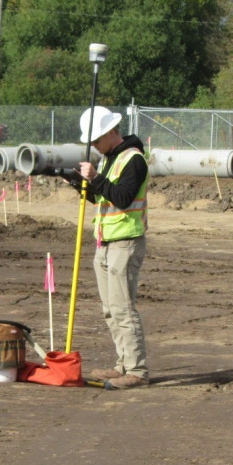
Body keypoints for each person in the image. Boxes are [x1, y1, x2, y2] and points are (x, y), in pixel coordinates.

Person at [75, 106, 150, 389]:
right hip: (105, 242)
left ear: (109, 133)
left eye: (95, 140)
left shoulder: (134, 160)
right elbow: (102, 198)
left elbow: (122, 197)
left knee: (123, 309)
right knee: (110, 309)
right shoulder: (108, 159)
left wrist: (96, 178)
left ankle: (137, 370)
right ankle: (122, 365)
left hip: (125, 243)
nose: (93, 145)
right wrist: (80, 182)